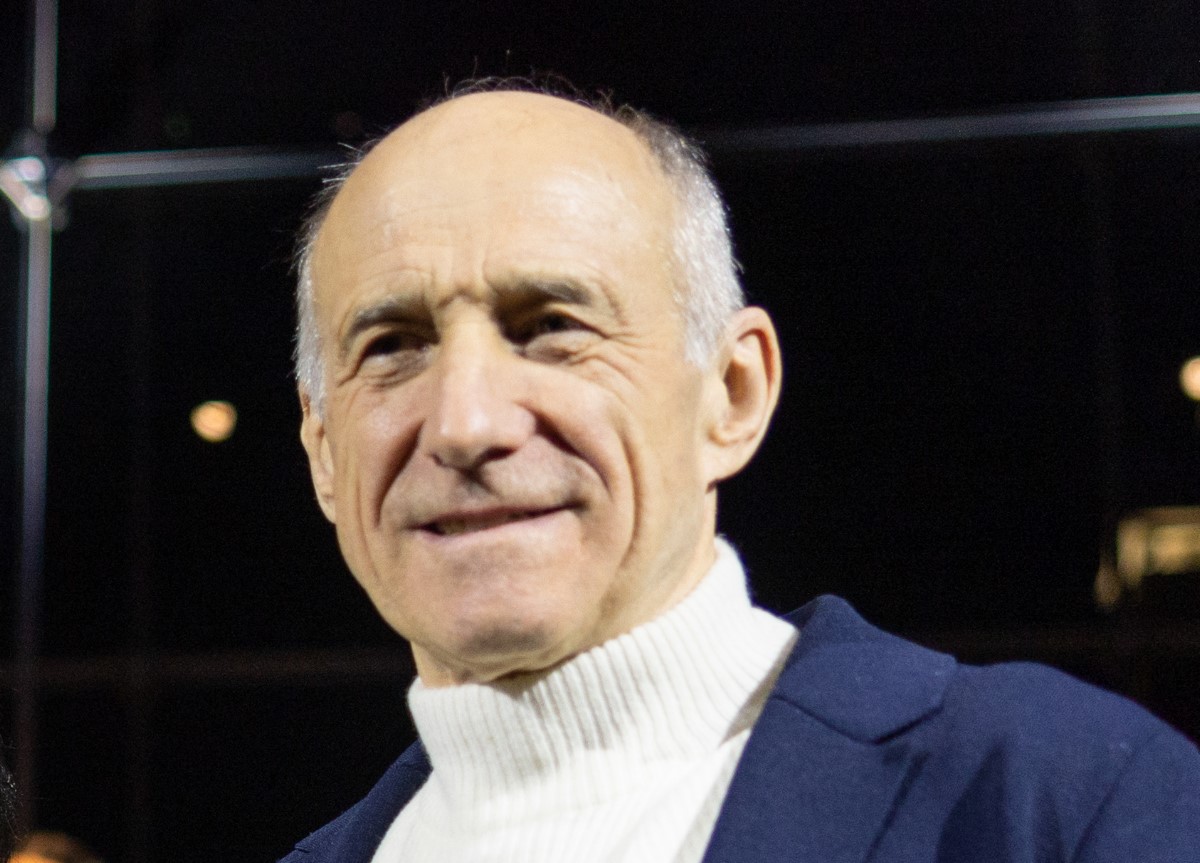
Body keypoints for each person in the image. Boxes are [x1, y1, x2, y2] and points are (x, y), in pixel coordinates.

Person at [281, 80, 1200, 862]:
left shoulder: (1065, 803)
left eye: (553, 327)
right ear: (324, 453)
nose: (467, 422)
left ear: (733, 393)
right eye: (394, 345)